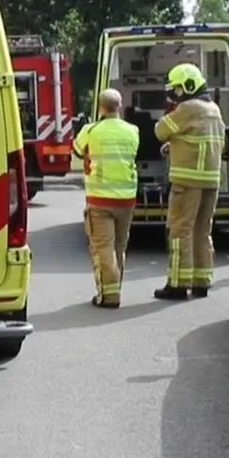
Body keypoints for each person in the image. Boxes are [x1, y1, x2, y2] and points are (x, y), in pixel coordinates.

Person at [154, 62, 226, 301]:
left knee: (179, 231)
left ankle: (177, 284)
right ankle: (201, 281)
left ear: (188, 86)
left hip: (187, 181)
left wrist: (171, 136)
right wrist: (176, 145)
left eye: (176, 89)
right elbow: (200, 139)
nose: (174, 95)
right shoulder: (213, 109)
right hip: (211, 181)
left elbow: (160, 130)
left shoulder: (187, 108)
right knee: (202, 231)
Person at [73, 88, 140, 308]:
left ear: (101, 107)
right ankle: (114, 287)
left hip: (100, 199)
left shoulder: (91, 130)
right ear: (119, 106)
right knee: (119, 246)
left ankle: (109, 295)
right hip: (127, 199)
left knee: (103, 248)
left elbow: (77, 150)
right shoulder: (133, 131)